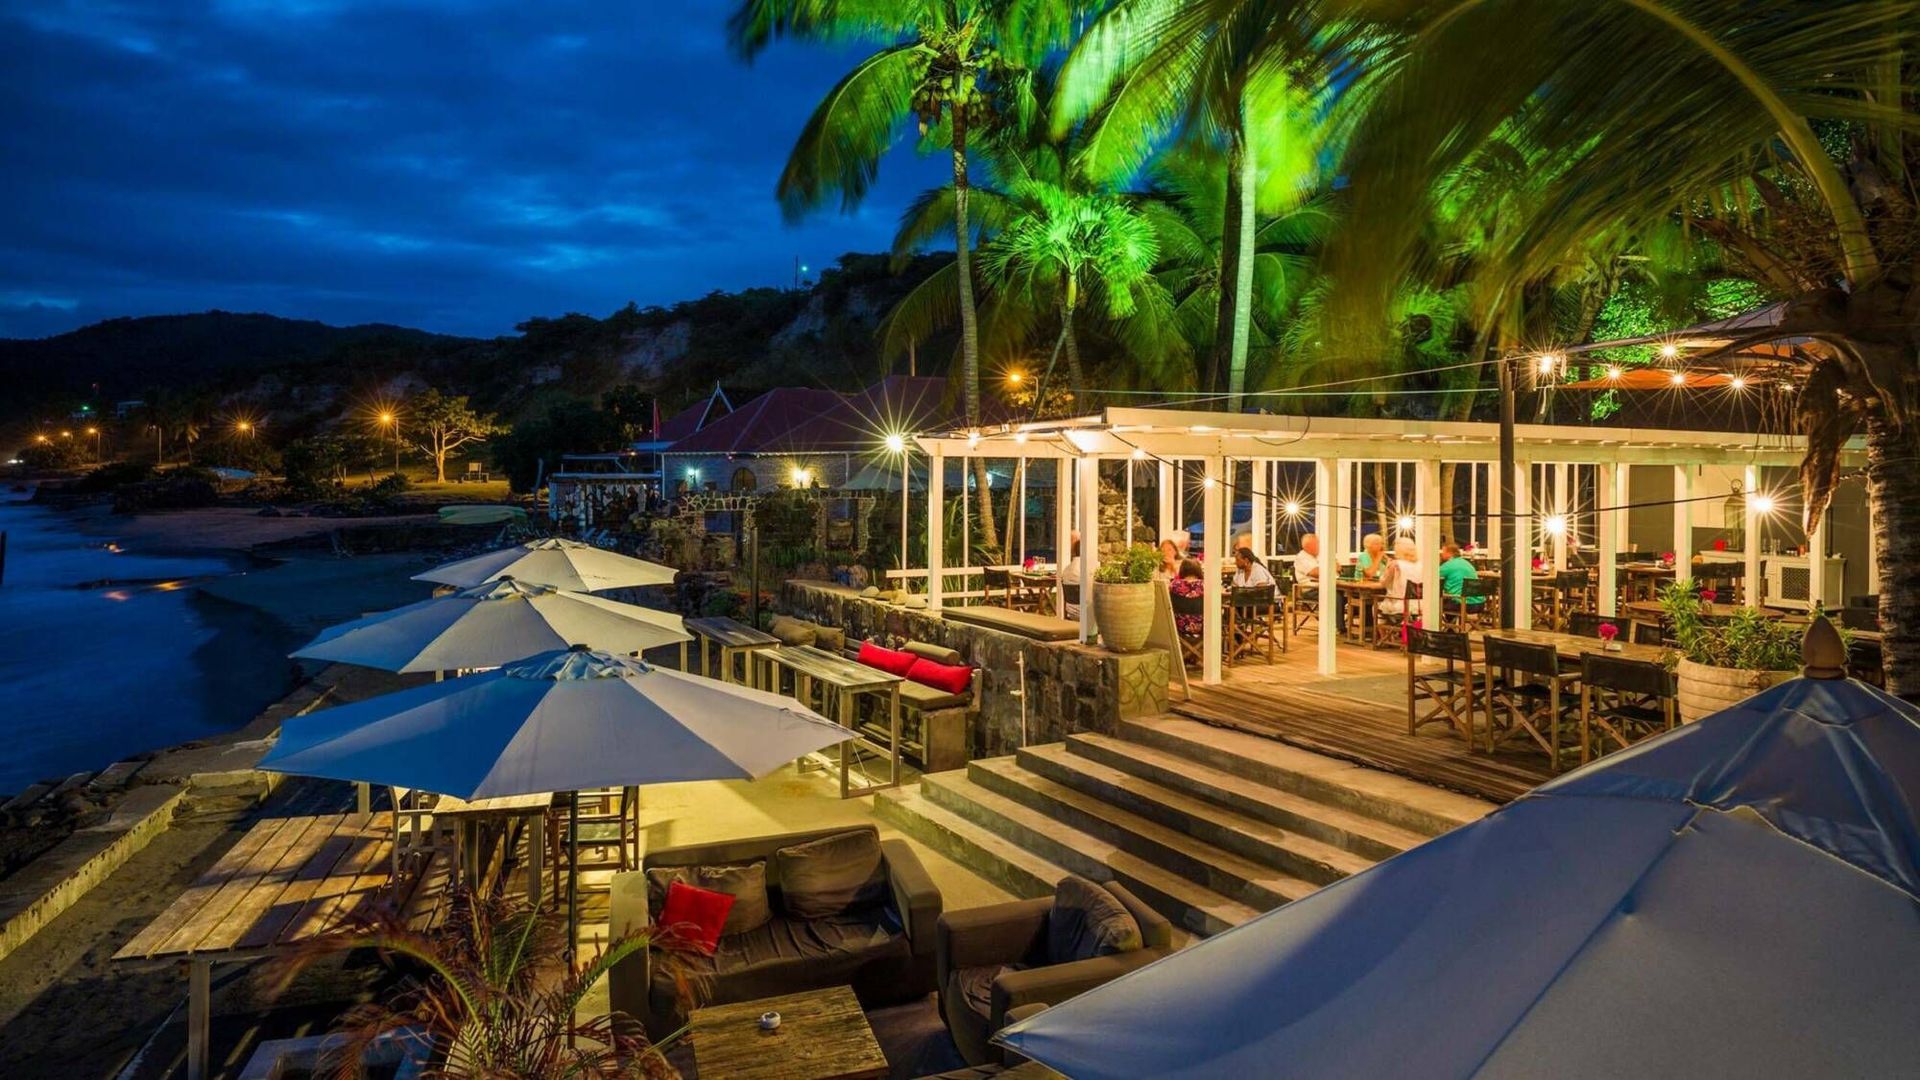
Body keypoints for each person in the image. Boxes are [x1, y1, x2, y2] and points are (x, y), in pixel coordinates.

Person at [1437, 540, 1482, 608]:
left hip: (1462, 602)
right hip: (1479, 603)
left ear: (1449, 553)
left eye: (1443, 551)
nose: (1441, 554)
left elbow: (1432, 576)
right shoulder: (1466, 563)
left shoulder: (1448, 565)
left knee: (1433, 603)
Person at [1169, 558, 1206, 636]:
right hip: (1203, 626)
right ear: (1199, 570)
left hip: (1179, 625)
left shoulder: (1174, 585)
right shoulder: (1205, 585)